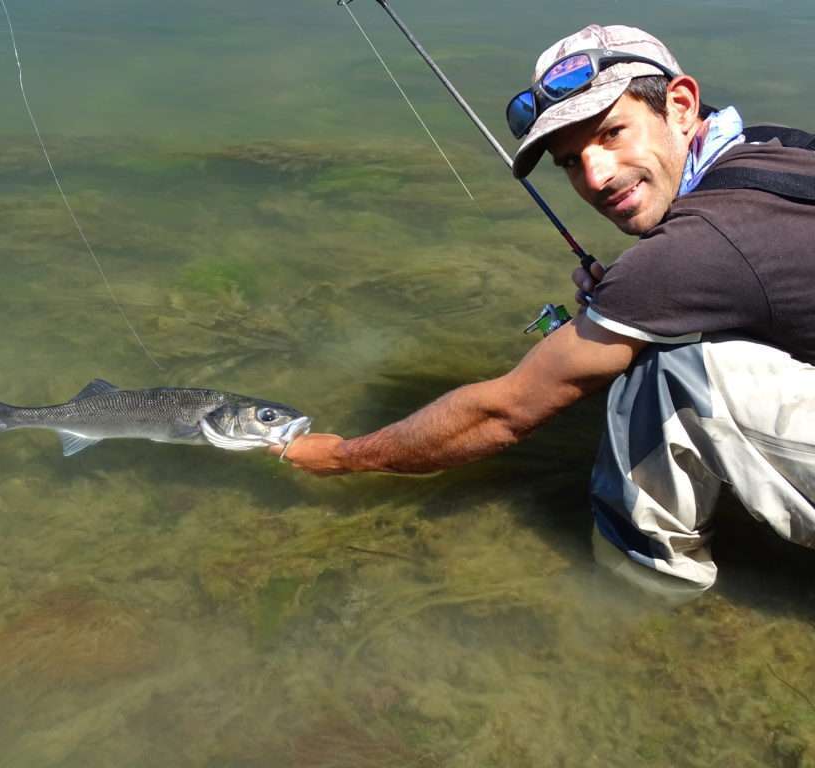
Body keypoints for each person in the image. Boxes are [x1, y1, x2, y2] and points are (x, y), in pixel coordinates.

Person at [273, 24, 815, 590]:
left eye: (611, 134)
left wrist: (342, 456)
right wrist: (647, 300)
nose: (596, 176)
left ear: (680, 104)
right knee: (666, 342)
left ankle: (642, 594)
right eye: (571, 162)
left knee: (664, 375)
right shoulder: (780, 150)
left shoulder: (693, 248)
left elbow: (502, 415)